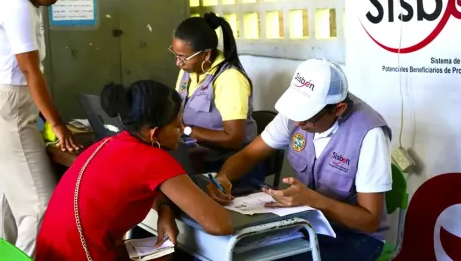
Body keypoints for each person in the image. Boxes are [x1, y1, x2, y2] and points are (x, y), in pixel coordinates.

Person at [207, 58, 392, 261]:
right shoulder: (295, 116)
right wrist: (224, 177)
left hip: (355, 236)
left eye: (307, 116)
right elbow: (249, 154)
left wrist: (314, 201)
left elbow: (369, 221)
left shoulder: (369, 133)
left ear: (338, 109)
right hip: (309, 224)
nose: (297, 122)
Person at [36, 80, 233, 261]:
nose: (183, 129)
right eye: (177, 125)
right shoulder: (154, 160)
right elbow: (220, 225)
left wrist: (165, 210)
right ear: (154, 133)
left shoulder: (107, 143)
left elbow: (140, 185)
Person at [0, 0, 79, 256]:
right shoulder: (18, 8)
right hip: (8, 113)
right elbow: (31, 72)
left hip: (3, 108)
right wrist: (57, 123)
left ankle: (1, 256)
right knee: (41, 205)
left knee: (6, 199)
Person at [171, 13, 264, 186]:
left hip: (232, 167)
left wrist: (186, 130)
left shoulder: (229, 79)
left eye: (183, 57)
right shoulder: (188, 71)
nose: (178, 63)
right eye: (175, 54)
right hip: (199, 157)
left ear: (206, 55)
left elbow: (234, 138)